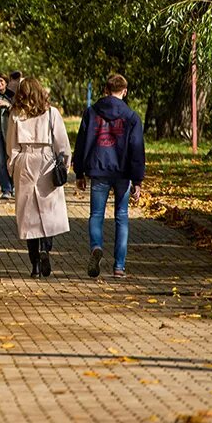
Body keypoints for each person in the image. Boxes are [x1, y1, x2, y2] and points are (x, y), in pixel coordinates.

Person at [73, 73, 146, 279]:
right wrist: (138, 180)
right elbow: (137, 149)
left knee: (96, 215)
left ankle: (96, 246)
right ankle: (119, 267)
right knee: (121, 217)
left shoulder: (92, 112)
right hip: (122, 173)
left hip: (98, 169)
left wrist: (80, 172)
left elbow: (81, 143)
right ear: (124, 91)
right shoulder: (132, 117)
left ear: (105, 90)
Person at [6, 77, 71, 278]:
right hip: (46, 161)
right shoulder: (51, 113)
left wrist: (13, 166)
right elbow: (62, 144)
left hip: (25, 159)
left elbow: (11, 145)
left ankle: (34, 263)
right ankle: (46, 248)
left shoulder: (16, 114)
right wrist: (64, 167)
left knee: (29, 216)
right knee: (48, 211)